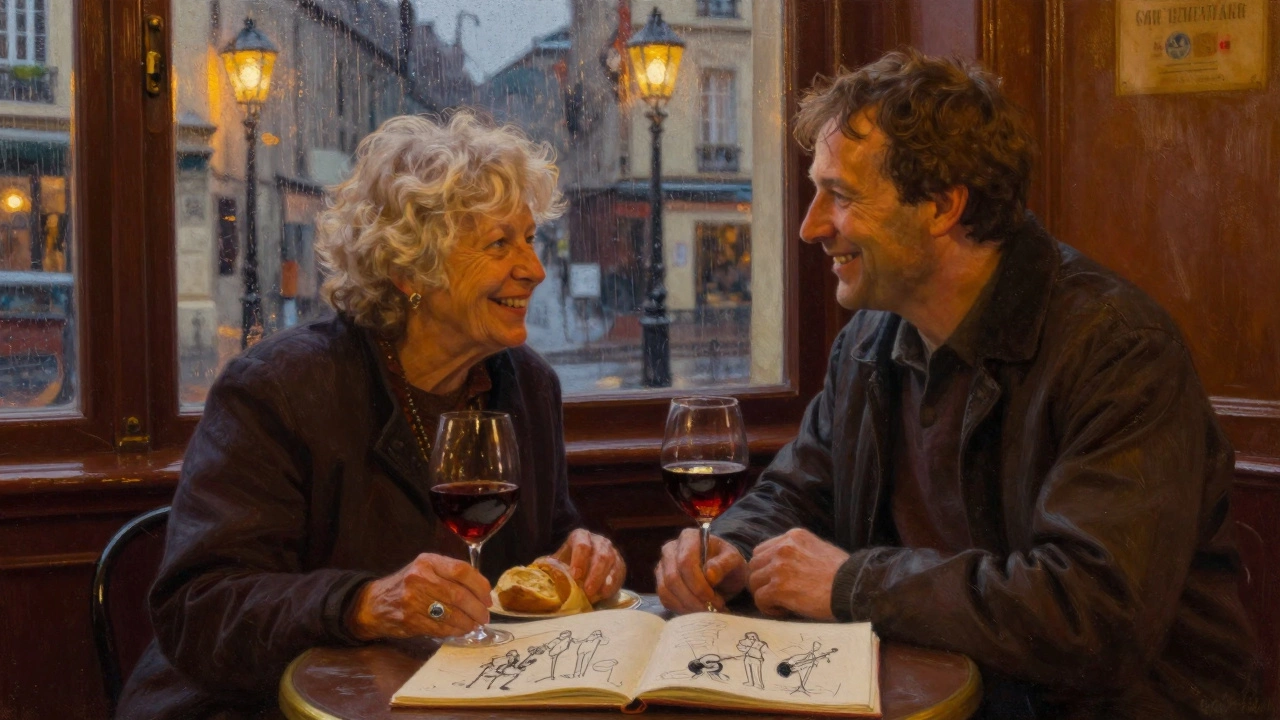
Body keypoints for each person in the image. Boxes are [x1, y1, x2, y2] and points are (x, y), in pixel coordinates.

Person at [655, 49, 1265, 718]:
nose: (811, 226)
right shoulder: (867, 342)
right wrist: (731, 549)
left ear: (943, 206)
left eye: (842, 195)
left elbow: (1092, 615)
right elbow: (798, 492)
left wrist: (853, 584)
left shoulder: (1119, 350)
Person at [117, 112, 625, 718]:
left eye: (530, 238)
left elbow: (547, 539)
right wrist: (363, 603)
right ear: (409, 271)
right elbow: (199, 607)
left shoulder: (528, 386)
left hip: (448, 699)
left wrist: (578, 556)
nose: (534, 270)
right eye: (499, 244)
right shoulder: (279, 388)